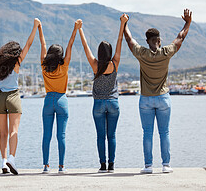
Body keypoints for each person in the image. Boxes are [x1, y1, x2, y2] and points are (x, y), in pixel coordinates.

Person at [123, 9, 192, 174]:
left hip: (145, 99)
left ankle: (148, 166)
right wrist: (187, 22)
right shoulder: (166, 53)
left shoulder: (142, 53)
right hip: (163, 99)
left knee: (147, 132)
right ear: (159, 40)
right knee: (164, 132)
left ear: (147, 41)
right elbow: (181, 37)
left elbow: (128, 38)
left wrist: (124, 24)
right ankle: (166, 165)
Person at [0, 13, 40, 175]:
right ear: (16, 53)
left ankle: (3, 161)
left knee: (2, 133)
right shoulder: (17, 62)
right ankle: (12, 158)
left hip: (0, 99)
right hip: (13, 98)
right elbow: (29, 44)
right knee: (13, 131)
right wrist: (35, 27)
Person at [78, 14, 128, 173]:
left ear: (99, 53)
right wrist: (123, 23)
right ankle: (112, 165)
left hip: (98, 104)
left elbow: (85, 47)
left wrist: (80, 30)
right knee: (111, 136)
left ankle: (102, 165)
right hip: (113, 103)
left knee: (101, 136)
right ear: (110, 52)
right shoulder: (115, 63)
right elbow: (120, 40)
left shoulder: (95, 65)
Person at [38, 19, 81, 174]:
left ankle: (45, 166)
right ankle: (61, 167)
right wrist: (75, 28)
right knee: (61, 136)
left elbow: (42, 44)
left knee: (46, 135)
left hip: (48, 100)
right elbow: (70, 44)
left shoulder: (44, 65)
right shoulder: (64, 65)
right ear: (61, 56)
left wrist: (40, 28)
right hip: (62, 100)